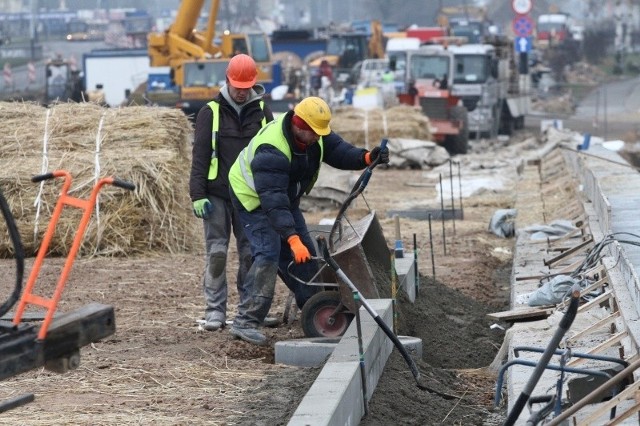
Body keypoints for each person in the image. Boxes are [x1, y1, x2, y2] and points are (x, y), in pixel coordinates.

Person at [227, 96, 390, 345]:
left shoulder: (315, 133)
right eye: (313, 133)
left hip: (284, 195)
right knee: (269, 253)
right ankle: (246, 320)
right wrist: (291, 239)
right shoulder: (271, 150)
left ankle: (314, 308)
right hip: (253, 197)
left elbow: (338, 150)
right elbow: (273, 201)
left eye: (319, 133)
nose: (317, 138)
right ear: (298, 124)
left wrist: (367, 158)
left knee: (305, 251)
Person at [189, 54, 275, 332]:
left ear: (253, 83)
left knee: (251, 251)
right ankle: (215, 310)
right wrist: (197, 194)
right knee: (217, 252)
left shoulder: (263, 112)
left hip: (249, 195)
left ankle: (249, 309)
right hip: (216, 195)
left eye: (246, 85)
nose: (241, 91)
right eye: (237, 85)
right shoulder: (210, 112)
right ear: (227, 80)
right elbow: (200, 156)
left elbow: (273, 152)